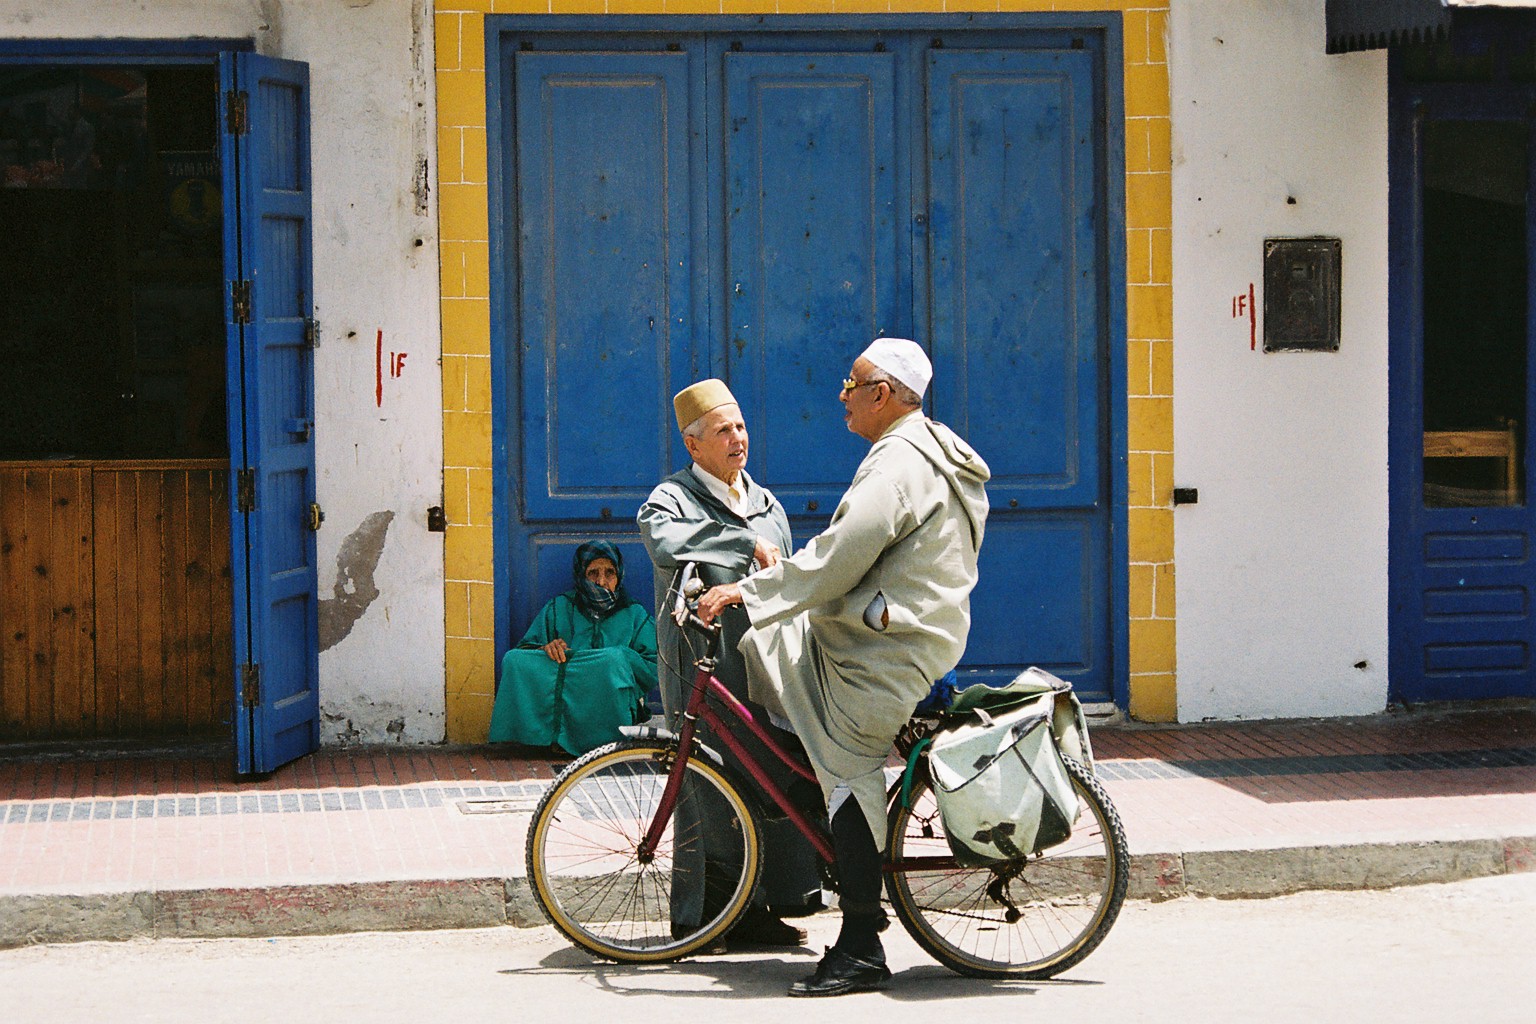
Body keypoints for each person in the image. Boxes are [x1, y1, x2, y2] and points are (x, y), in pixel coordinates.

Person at [697, 339, 990, 997]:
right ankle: (822, 811)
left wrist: (748, 590)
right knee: (777, 651)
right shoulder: (933, 447)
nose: (842, 395)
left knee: (849, 769)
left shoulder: (896, 464)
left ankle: (860, 941)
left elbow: (840, 558)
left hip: (888, 650)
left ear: (881, 394)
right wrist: (790, 582)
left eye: (851, 383)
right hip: (910, 631)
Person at [638, 379, 822, 950]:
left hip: (769, 667)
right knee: (708, 788)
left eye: (741, 427)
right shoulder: (671, 499)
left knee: (774, 779)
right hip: (703, 669)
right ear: (694, 446)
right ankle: (705, 917)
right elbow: (664, 543)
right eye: (723, 430)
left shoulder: (766, 502)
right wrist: (742, 546)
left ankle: (770, 905)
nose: (738, 438)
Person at [487, 541, 657, 757]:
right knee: (514, 660)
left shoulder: (635, 614)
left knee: (613, 659)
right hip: (565, 680)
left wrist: (619, 660)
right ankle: (549, 737)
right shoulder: (559, 607)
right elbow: (526, 648)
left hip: (608, 691)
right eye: (593, 573)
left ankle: (601, 737)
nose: (601, 581)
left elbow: (652, 666)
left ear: (619, 575)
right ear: (580, 575)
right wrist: (546, 648)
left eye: (609, 573)